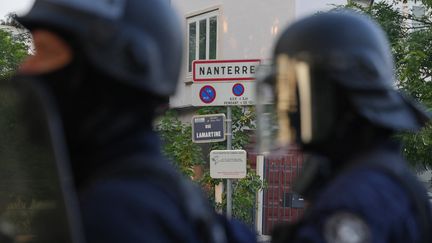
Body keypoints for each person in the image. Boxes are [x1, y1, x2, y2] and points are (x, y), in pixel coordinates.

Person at [11, 0, 256, 242]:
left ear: (107, 75)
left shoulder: (112, 215)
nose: (25, 68)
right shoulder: (168, 196)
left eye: (45, 51)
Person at [255, 11, 432, 243]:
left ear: (336, 99)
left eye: (296, 95)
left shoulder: (364, 193)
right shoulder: (369, 176)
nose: (288, 109)